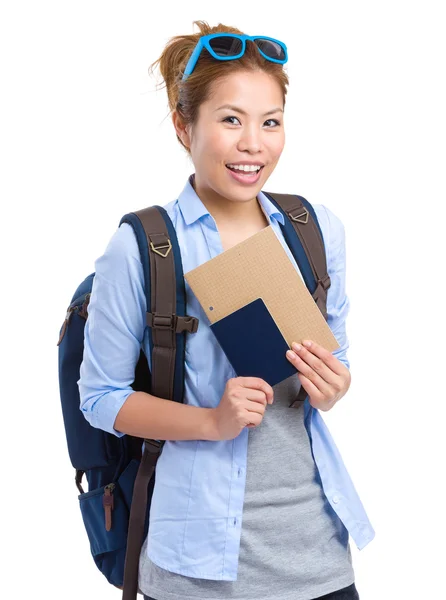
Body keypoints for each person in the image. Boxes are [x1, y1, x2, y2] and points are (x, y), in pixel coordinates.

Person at [78, 20, 374, 600]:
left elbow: (331, 368)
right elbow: (100, 398)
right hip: (196, 567)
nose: (253, 144)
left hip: (317, 552)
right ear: (184, 125)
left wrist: (333, 385)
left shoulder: (315, 230)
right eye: (230, 120)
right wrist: (211, 421)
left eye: (271, 122)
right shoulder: (146, 246)